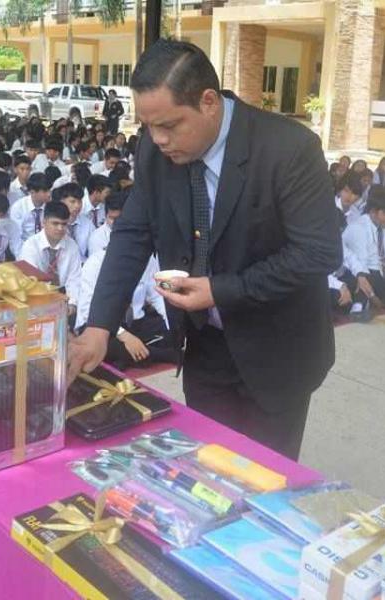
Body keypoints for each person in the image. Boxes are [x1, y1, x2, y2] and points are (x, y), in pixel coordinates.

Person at [69, 40, 341, 460]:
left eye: (170, 125)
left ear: (209, 102)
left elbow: (318, 253)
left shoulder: (287, 149)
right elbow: (133, 235)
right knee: (206, 471)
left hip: (275, 352)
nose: (159, 139)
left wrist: (220, 290)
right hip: (204, 347)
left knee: (265, 479)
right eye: (148, 126)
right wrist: (99, 327)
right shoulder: (155, 152)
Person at [342, 187, 385, 320]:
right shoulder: (358, 228)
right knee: (371, 279)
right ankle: (360, 307)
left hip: (382, 271)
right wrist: (372, 295)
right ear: (373, 212)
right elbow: (360, 264)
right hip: (358, 272)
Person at [18, 200, 82, 315]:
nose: (60, 228)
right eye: (55, 223)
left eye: (64, 224)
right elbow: (31, 282)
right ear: (44, 222)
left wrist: (72, 304)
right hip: (36, 298)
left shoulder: (72, 245)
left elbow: (74, 279)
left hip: (63, 295)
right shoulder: (30, 245)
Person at [53, 182, 93, 261]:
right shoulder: (53, 223)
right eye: (72, 201)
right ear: (61, 201)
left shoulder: (88, 224)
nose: (77, 206)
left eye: (80, 201)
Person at [10, 172, 51, 241]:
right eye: (45, 191)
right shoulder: (18, 207)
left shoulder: (52, 206)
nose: (49, 194)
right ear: (32, 192)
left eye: (49, 190)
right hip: (24, 244)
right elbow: (16, 238)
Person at [88, 189, 126, 255]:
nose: (114, 222)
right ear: (105, 215)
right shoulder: (97, 237)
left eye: (118, 218)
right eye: (111, 218)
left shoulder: (135, 233)